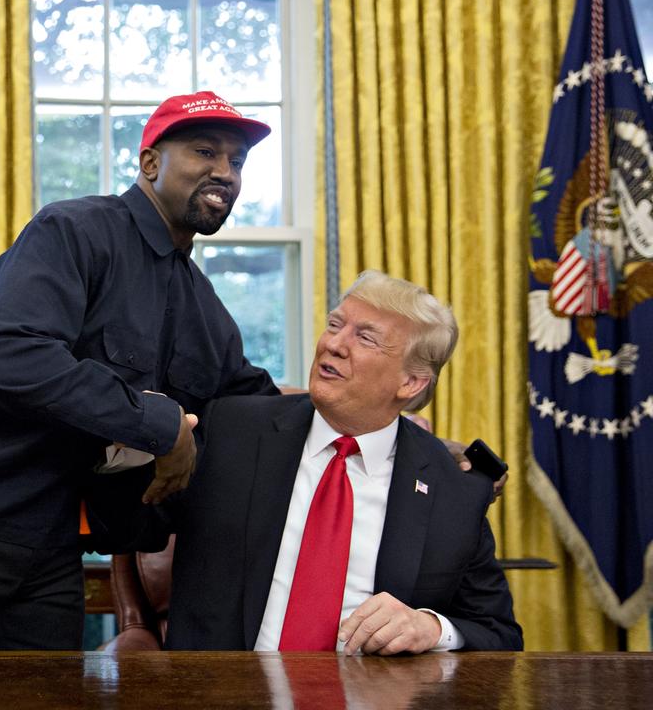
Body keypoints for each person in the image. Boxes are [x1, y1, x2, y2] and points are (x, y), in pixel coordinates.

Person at [0, 90, 281, 651]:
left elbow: (251, 406)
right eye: (205, 151)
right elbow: (8, 353)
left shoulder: (203, 306)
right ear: (151, 163)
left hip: (54, 541)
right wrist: (162, 424)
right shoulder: (75, 231)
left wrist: (358, 418)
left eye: (237, 161)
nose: (225, 172)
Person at [88, 270, 523, 653]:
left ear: (411, 382)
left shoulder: (455, 490)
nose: (334, 344)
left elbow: (498, 632)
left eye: (364, 337)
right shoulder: (232, 429)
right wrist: (124, 439)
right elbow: (128, 526)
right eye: (335, 325)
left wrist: (431, 627)